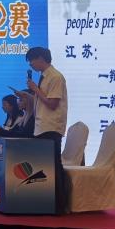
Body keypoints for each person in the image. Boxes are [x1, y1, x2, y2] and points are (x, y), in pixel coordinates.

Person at [25, 46, 68, 214]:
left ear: (41, 58)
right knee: (44, 167)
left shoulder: (55, 76)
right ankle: (47, 203)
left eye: (31, 60)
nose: (31, 64)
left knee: (53, 166)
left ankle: (59, 205)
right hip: (42, 126)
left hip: (51, 127)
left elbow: (52, 104)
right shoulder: (44, 76)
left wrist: (36, 90)